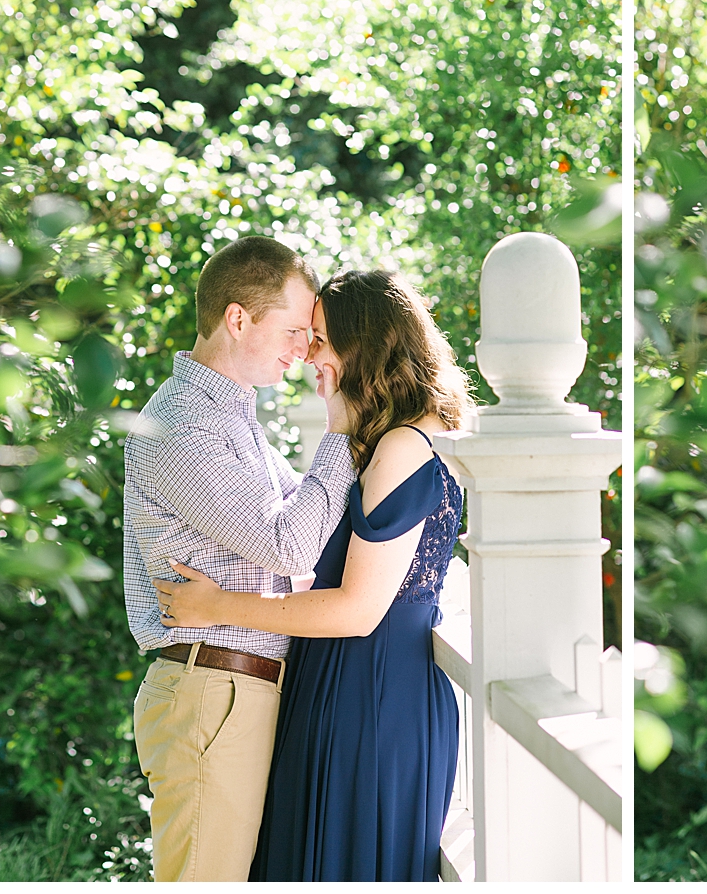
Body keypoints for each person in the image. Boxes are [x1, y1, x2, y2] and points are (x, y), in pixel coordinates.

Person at [156, 268, 472, 881]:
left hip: (367, 699)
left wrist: (217, 604)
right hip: (359, 687)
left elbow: (357, 609)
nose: (307, 356)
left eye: (320, 340)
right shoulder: (403, 437)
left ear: (367, 344)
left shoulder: (403, 446)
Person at [123, 235, 357, 882]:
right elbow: (290, 543)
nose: (303, 351)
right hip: (212, 693)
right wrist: (340, 424)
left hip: (233, 691)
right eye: (293, 332)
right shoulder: (181, 426)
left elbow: (306, 524)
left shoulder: (232, 419)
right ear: (237, 318)